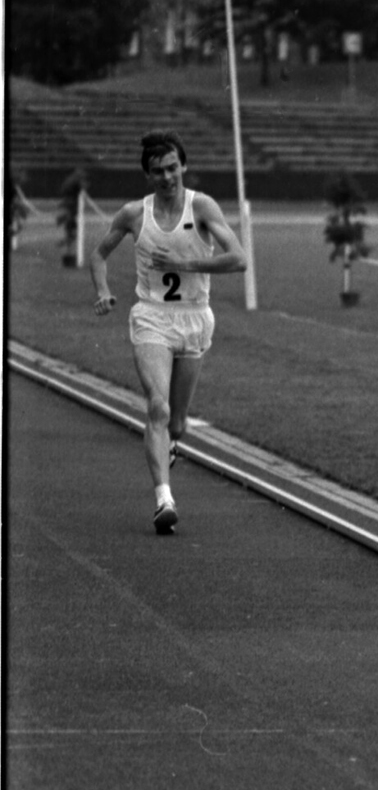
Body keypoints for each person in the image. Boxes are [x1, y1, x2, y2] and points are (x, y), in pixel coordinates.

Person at [89, 129, 247, 535]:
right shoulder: (133, 214)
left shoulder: (203, 207)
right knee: (156, 407)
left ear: (184, 166)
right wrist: (104, 290)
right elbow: (99, 253)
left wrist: (185, 262)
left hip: (195, 318)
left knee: (177, 423)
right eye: (158, 170)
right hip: (152, 318)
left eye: (173, 167)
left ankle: (171, 442)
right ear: (148, 175)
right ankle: (164, 499)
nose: (167, 177)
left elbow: (239, 259)